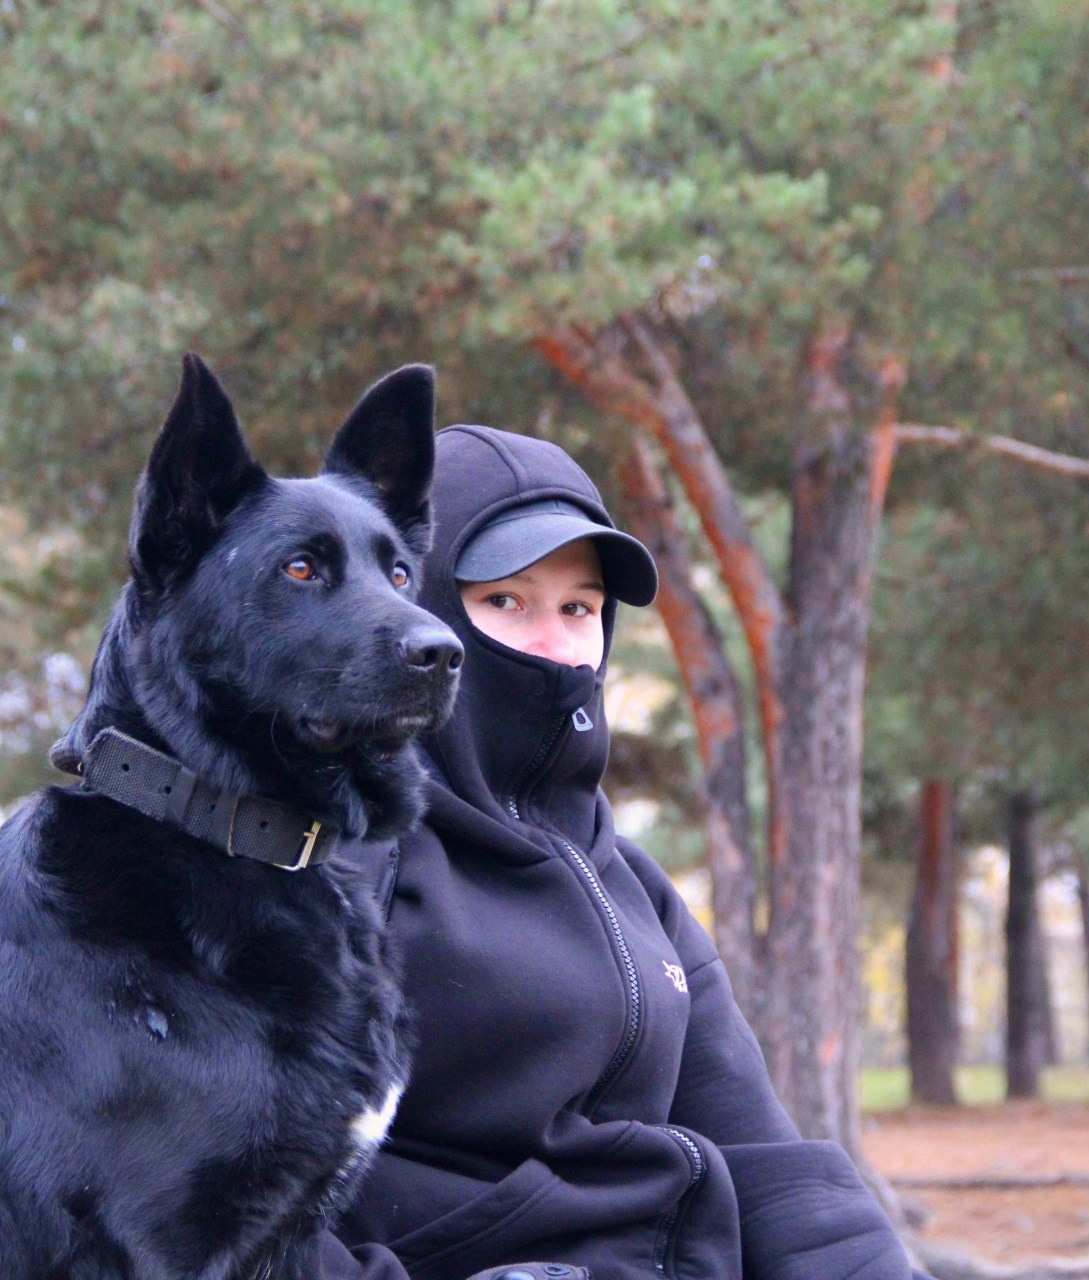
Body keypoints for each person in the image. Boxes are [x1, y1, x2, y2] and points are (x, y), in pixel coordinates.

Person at [319, 425, 916, 1280]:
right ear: (421, 618)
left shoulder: (628, 880)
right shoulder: (336, 861)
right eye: (506, 603)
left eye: (580, 609)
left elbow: (765, 1161)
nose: (559, 647)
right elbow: (231, 1204)